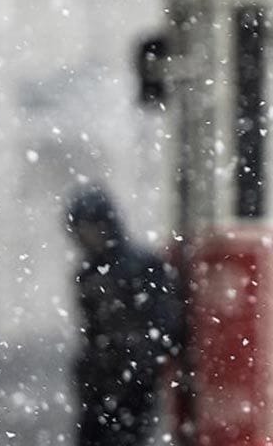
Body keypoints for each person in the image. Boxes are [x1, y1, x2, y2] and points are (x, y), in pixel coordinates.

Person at [65, 186, 182, 446]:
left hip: (131, 384)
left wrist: (138, 362)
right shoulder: (89, 274)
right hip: (102, 385)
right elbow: (92, 330)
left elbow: (166, 324)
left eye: (90, 227)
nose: (86, 237)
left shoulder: (139, 266)